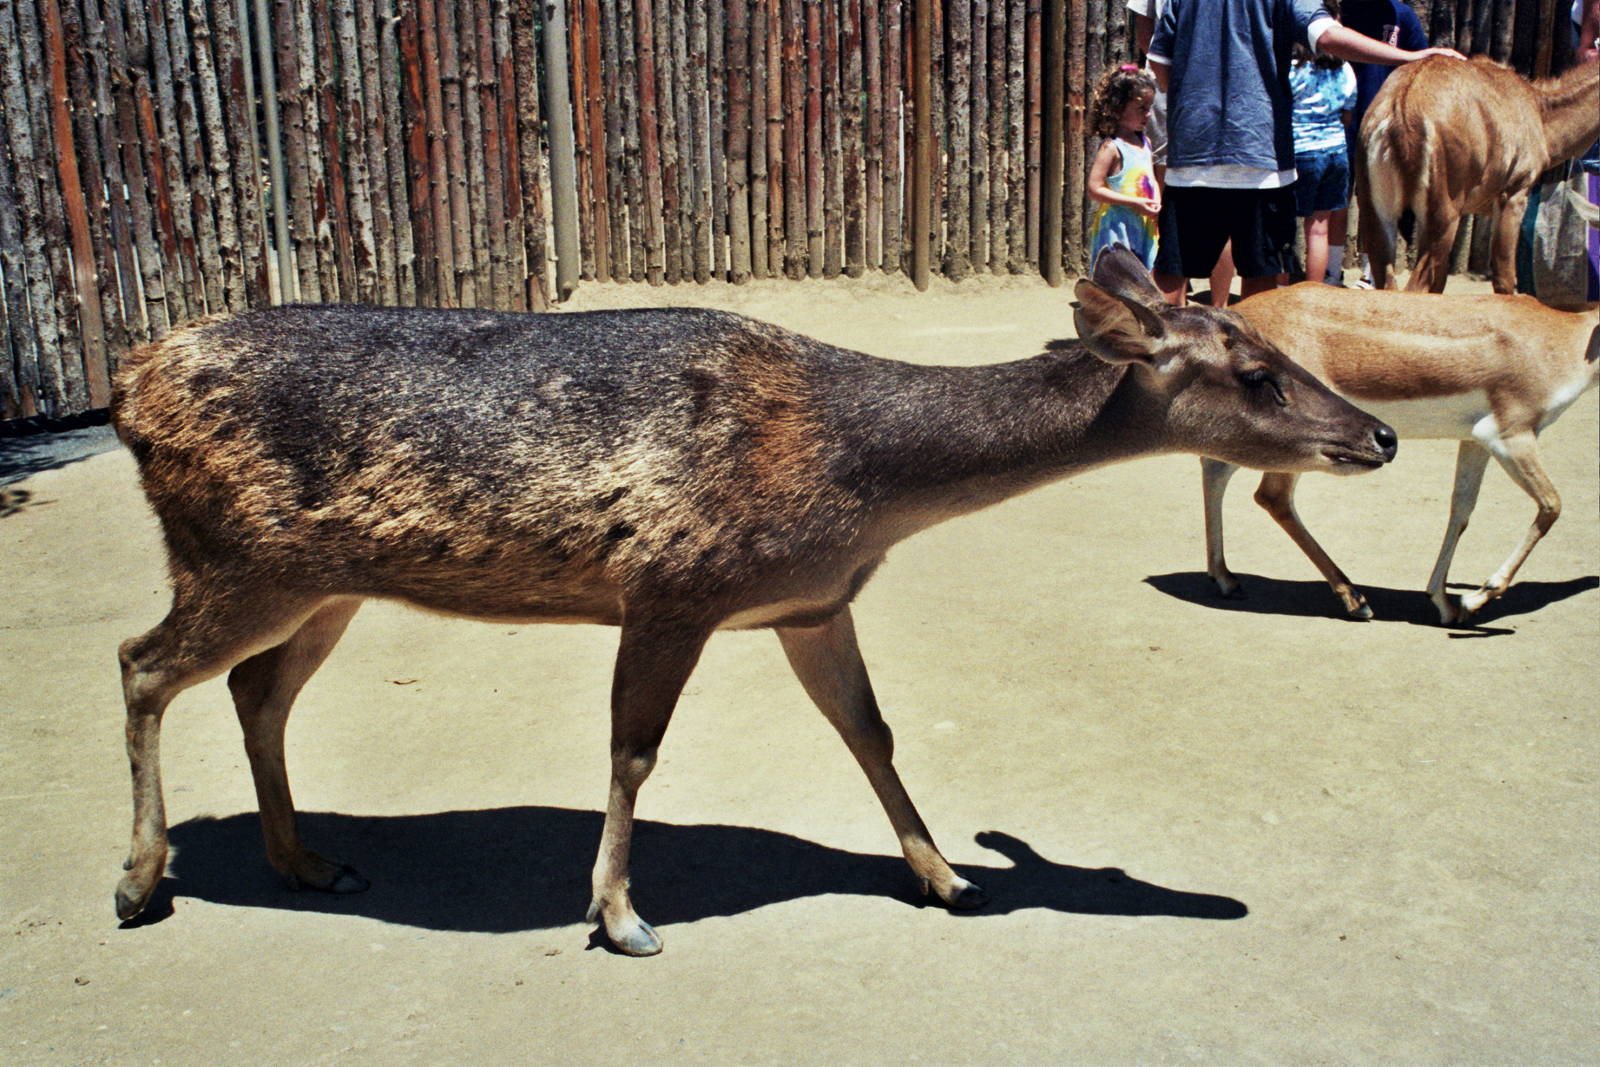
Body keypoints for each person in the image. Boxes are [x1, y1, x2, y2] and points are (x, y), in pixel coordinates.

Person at [1146, 0, 1462, 307]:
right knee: (1262, 280)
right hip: (1262, 162)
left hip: (1194, 159)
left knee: (1172, 274)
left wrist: (1196, 104)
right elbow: (1328, 36)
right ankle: (1253, 359)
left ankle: (1155, 357)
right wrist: (1410, 56)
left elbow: (1159, 63)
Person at [1338, 0, 1429, 285]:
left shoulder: (1401, 15)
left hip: (1385, 125)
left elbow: (1421, 68)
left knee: (1376, 200)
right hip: (1342, 121)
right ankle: (1330, 271)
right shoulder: (1342, 13)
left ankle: (1371, 272)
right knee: (1337, 200)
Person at [1286, 36, 1356, 286]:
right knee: (1319, 228)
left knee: (1284, 227)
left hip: (1299, 153)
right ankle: (1314, 290)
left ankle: (1280, 286)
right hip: (1336, 153)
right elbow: (1347, 116)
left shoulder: (1292, 68)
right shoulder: (1345, 68)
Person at [1086, 65, 1162, 271]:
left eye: (1149, 108)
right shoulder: (1112, 148)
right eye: (1141, 108)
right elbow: (1094, 188)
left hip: (1143, 222)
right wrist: (1133, 202)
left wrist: (1156, 200)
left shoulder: (1145, 142)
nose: (1147, 114)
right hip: (1118, 226)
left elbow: (1151, 177)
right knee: (1118, 276)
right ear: (1118, 108)